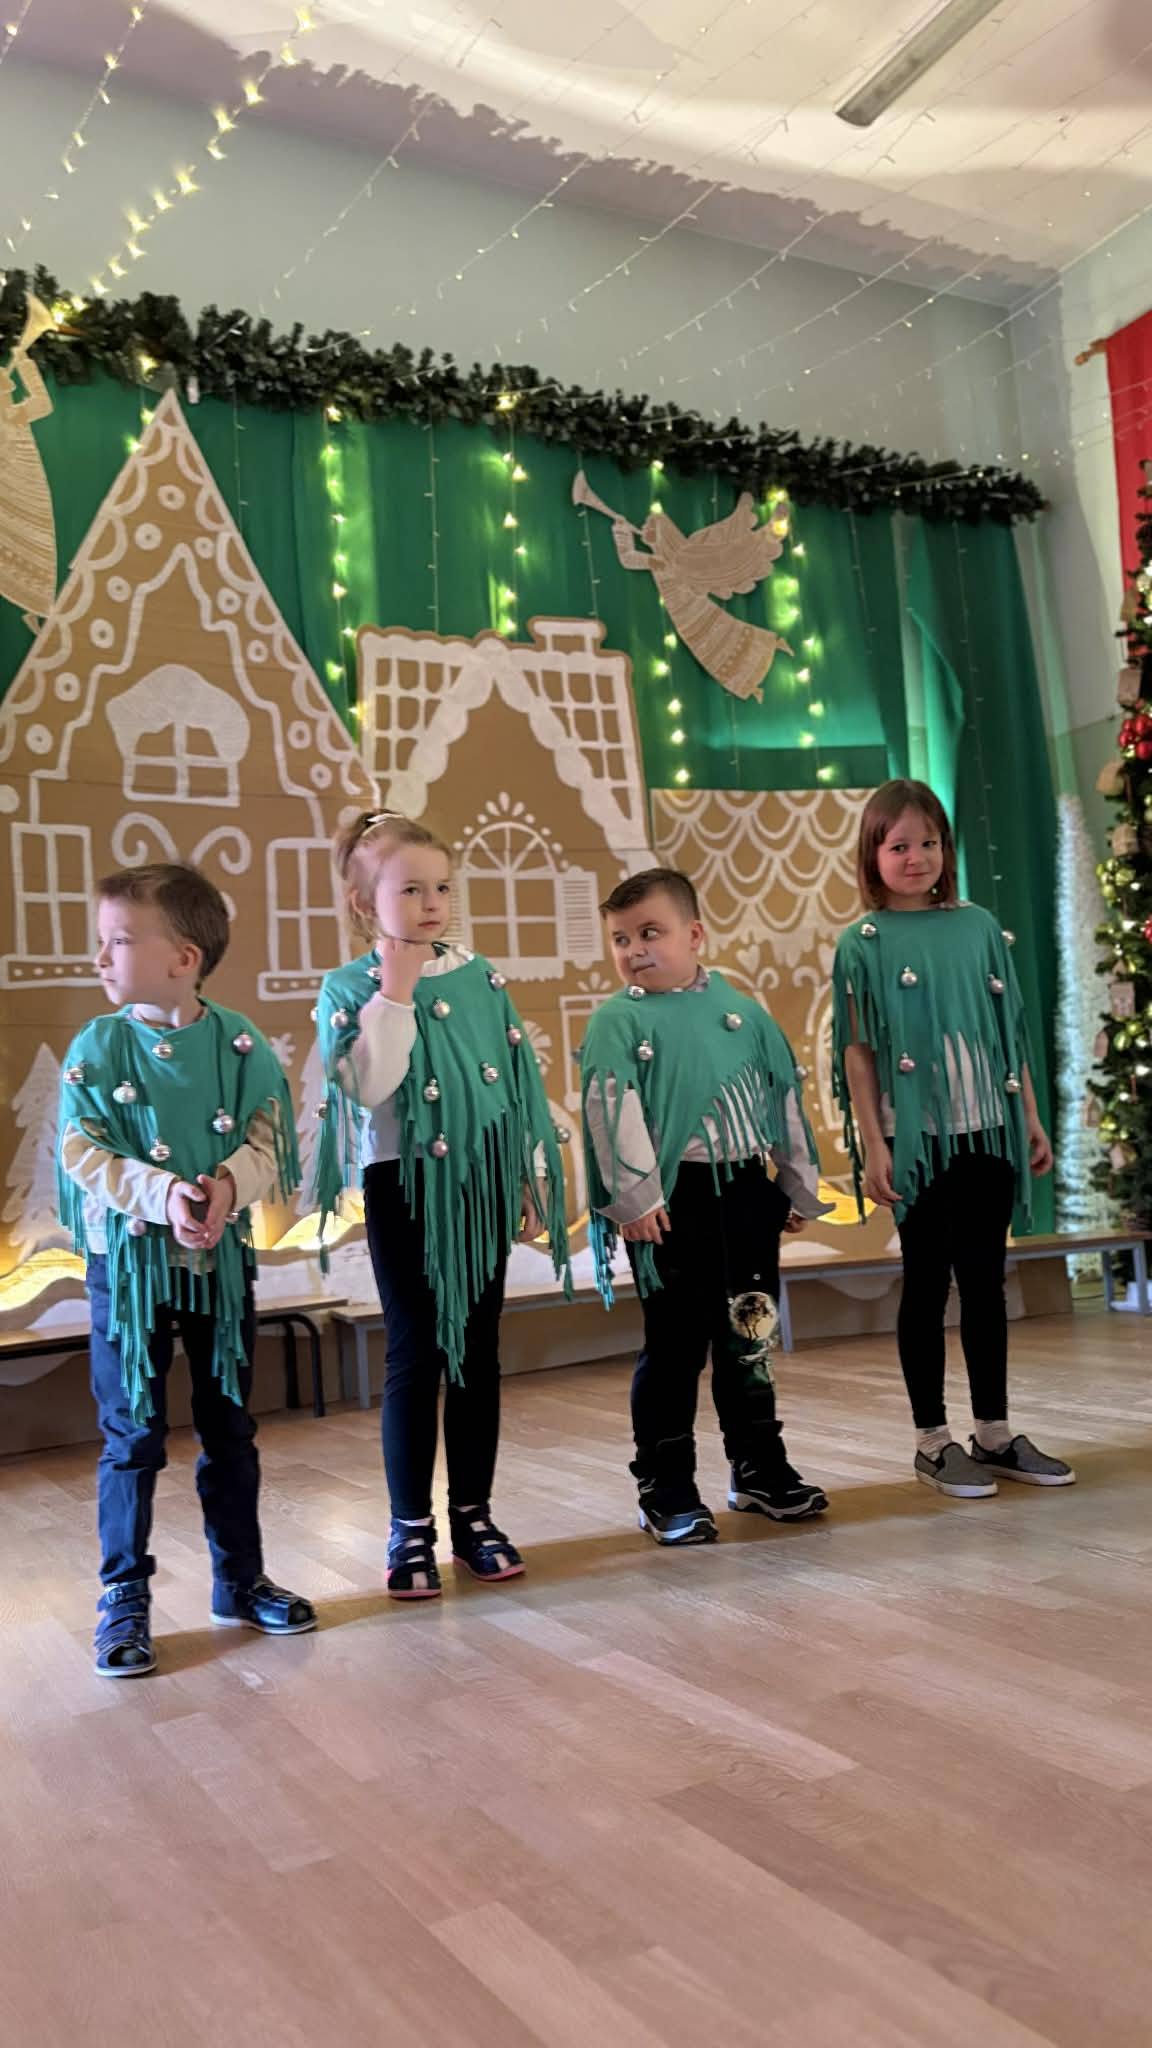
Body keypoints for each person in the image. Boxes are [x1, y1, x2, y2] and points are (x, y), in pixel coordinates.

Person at [58, 864, 316, 1678]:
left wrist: (228, 1186)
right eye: (102, 942)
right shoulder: (98, 1047)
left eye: (119, 941)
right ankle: (123, 1594)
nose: (101, 957)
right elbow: (81, 1150)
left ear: (184, 957)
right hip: (129, 1268)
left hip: (217, 1262)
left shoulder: (240, 1045)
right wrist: (162, 1193)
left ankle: (240, 1580)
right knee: (131, 1435)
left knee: (229, 1425)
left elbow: (270, 1138)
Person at [314, 811, 570, 1598]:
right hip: (403, 1186)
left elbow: (514, 1087)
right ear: (364, 903)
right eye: (410, 890)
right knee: (415, 1353)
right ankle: (409, 1527)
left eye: (442, 888)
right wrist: (393, 992)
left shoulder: (479, 976)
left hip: (482, 1178)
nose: (432, 904)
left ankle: (473, 1516)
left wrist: (528, 1174)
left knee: (477, 1351)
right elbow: (369, 1086)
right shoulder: (349, 988)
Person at [831, 778, 1074, 1499]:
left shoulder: (978, 926)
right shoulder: (862, 944)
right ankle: (932, 1442)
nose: (916, 857)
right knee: (927, 1282)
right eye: (899, 845)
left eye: (929, 842)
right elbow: (858, 1052)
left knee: (985, 1283)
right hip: (917, 1140)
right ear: (872, 856)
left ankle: (994, 1434)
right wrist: (875, 1144)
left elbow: (1009, 1034)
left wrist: (1028, 1118)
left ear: (947, 849)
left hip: (986, 1130)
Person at [581, 866, 829, 1546]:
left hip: (745, 1190)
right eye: (621, 938)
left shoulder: (744, 1013)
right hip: (670, 1203)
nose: (635, 949)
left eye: (650, 933)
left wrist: (794, 1184)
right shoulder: (617, 1021)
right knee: (675, 1346)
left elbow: (782, 1096)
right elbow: (612, 1110)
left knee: (750, 1335)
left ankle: (758, 1466)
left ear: (694, 935)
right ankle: (665, 1484)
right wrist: (636, 1198)